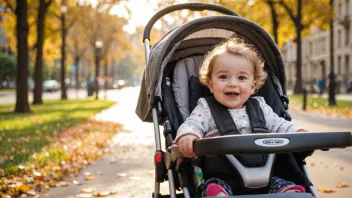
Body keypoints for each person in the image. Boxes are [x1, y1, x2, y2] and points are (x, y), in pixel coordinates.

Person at [174, 37, 308, 197]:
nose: (232, 83)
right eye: (223, 77)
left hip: (264, 176)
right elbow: (192, 124)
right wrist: (188, 135)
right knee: (213, 186)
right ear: (210, 84)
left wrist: (299, 132)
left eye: (241, 78)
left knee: (281, 183)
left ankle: (285, 192)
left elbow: (280, 125)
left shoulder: (261, 107)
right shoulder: (206, 109)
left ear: (253, 86)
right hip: (222, 177)